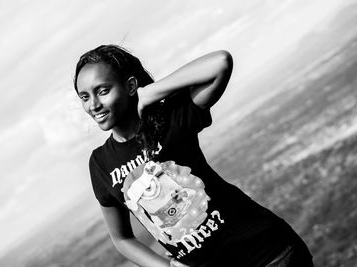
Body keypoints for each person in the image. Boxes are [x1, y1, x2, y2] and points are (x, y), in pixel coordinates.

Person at [73, 45, 314, 267]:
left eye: (102, 91)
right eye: (85, 96)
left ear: (130, 86)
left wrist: (150, 93)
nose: (93, 104)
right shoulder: (101, 164)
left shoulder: (168, 120)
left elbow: (220, 62)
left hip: (268, 254)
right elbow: (122, 238)